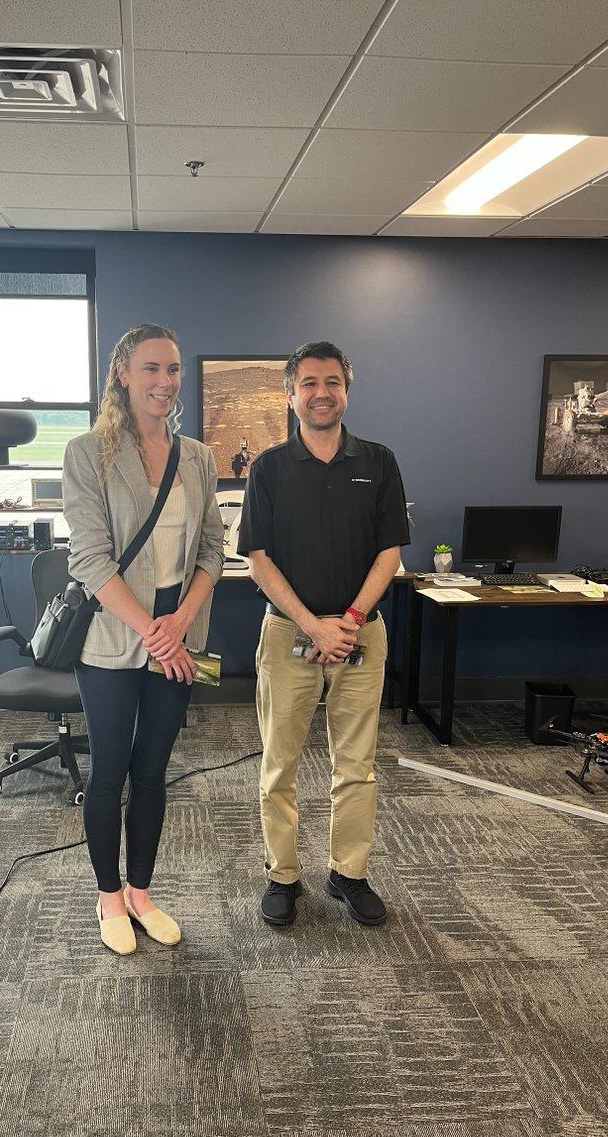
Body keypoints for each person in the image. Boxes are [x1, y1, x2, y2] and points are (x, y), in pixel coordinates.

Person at [63, 324, 224, 955]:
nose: (165, 381)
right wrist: (154, 632)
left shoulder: (199, 457)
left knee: (153, 769)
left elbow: (211, 549)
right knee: (109, 770)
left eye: (173, 369)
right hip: (114, 634)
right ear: (123, 374)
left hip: (180, 634)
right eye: (152, 368)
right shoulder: (88, 453)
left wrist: (179, 622)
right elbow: (90, 558)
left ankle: (141, 892)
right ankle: (108, 896)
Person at [238, 340, 409, 928]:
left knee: (357, 765)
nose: (321, 393)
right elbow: (258, 561)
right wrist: (315, 627)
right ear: (291, 395)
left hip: (362, 635)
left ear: (346, 392)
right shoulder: (268, 468)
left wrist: (350, 622)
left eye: (332, 382)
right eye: (308, 383)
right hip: (289, 635)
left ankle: (349, 872)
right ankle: (283, 876)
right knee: (279, 764)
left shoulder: (379, 462)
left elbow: (390, 553)